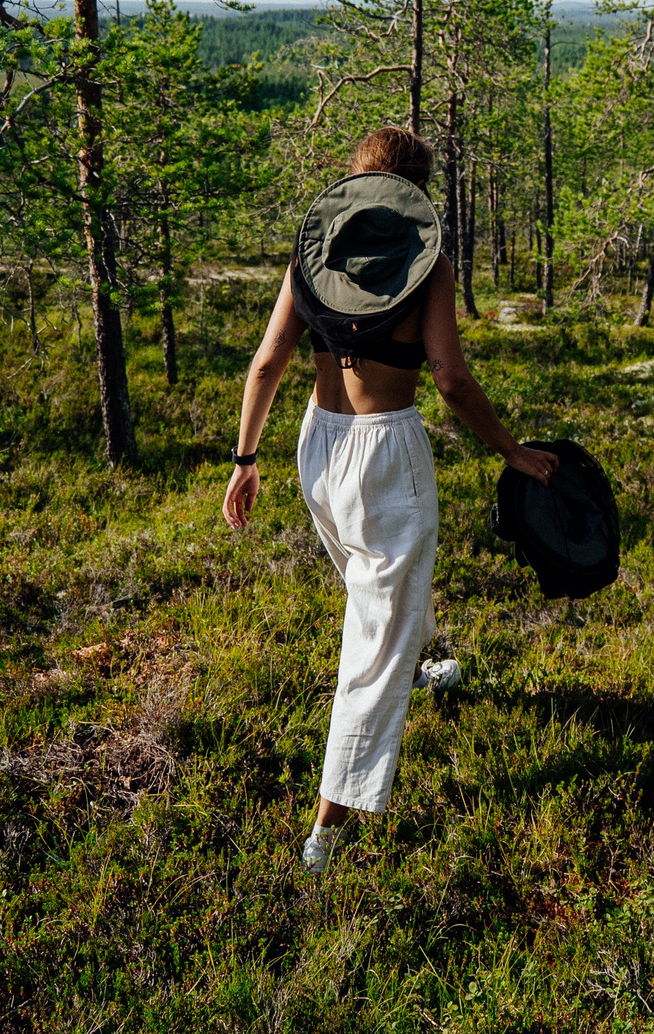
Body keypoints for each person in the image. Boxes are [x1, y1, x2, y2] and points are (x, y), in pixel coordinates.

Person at [224, 126, 559, 872]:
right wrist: (510, 450)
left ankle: (417, 669)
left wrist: (245, 459)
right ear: (418, 189)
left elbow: (268, 359)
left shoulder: (312, 251)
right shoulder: (428, 263)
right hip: (386, 450)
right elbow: (449, 379)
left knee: (377, 591)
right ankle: (327, 829)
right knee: (372, 638)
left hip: (319, 443)